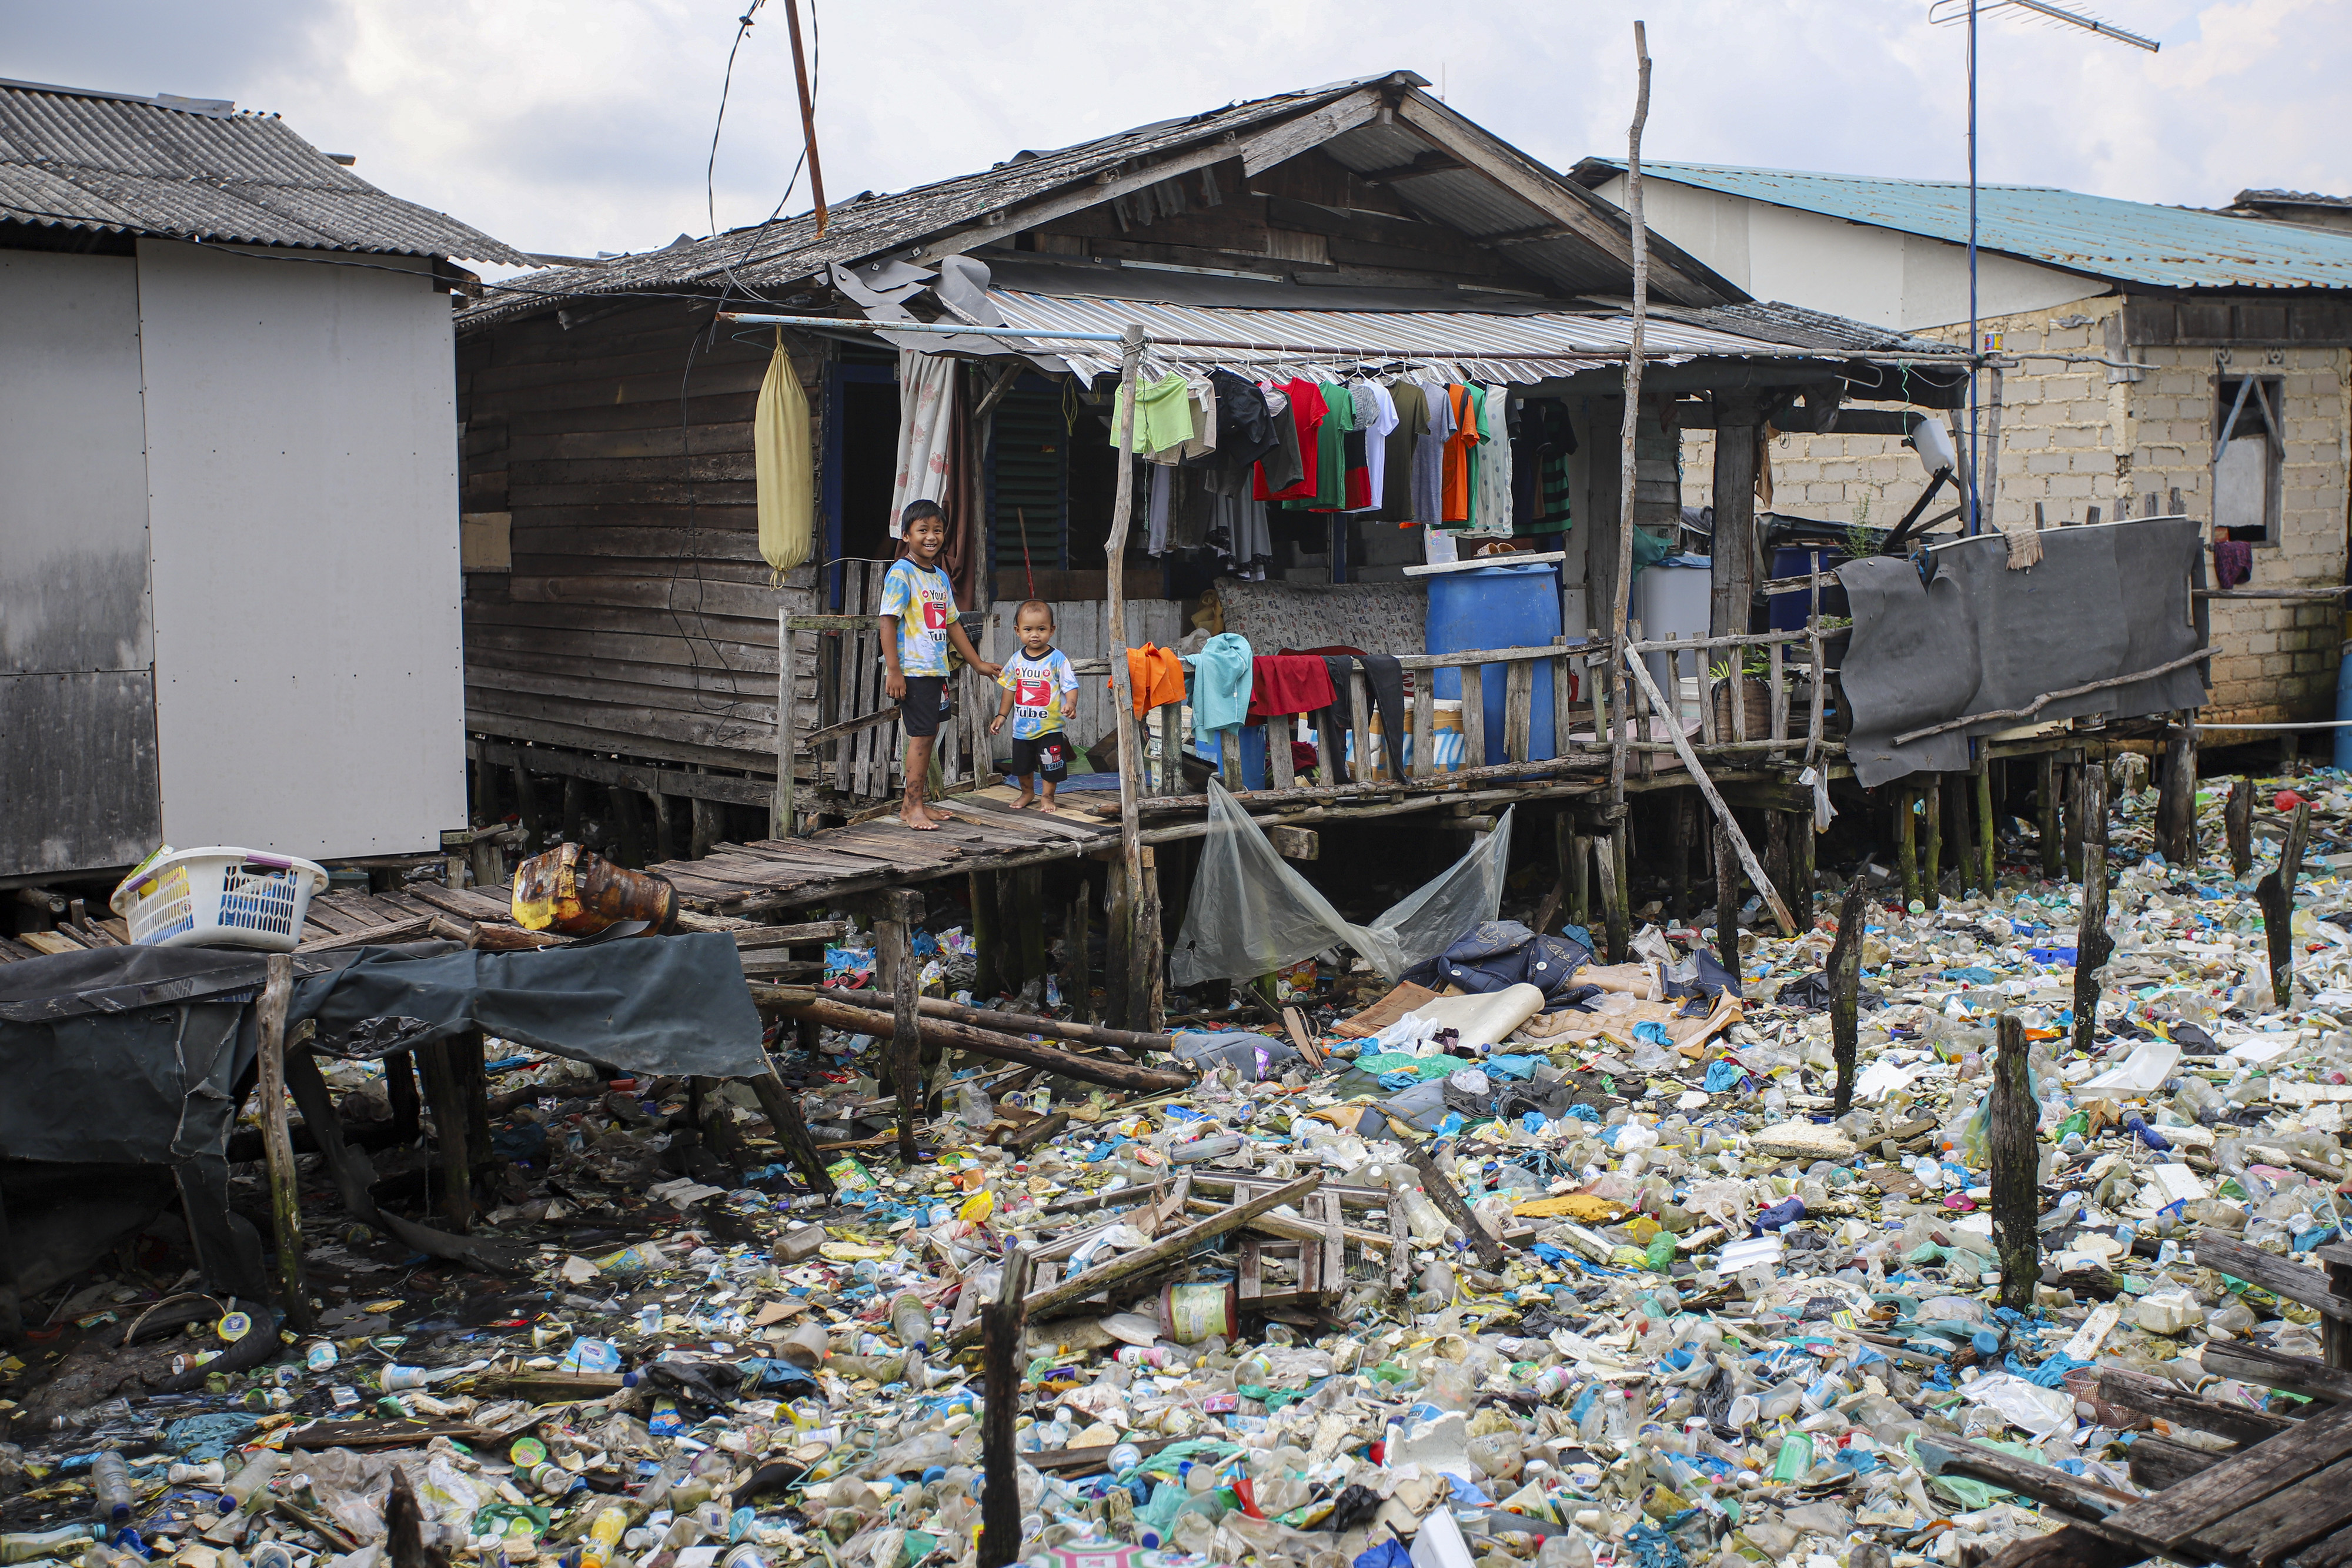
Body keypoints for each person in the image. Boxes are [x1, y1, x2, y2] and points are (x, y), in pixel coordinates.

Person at [880, 500, 998, 830]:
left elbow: (953, 626)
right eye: (923, 531)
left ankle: (911, 805)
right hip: (914, 672)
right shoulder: (901, 573)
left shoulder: (941, 578)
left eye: (937, 530)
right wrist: (894, 670)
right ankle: (914, 807)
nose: (931, 537)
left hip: (937, 671)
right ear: (906, 535)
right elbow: (887, 622)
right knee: (920, 737)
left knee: (931, 734)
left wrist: (977, 664)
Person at [989, 600, 1079, 810]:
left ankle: (1048, 797)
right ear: (1017, 631)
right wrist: (1002, 716)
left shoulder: (1057, 659)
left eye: (1041, 629)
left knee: (1051, 766)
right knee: (1022, 765)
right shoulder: (1016, 661)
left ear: (1052, 630)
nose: (1035, 634)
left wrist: (1071, 704)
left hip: (1049, 728)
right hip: (1022, 729)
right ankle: (1027, 793)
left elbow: (1070, 685)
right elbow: (1010, 689)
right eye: (1028, 629)